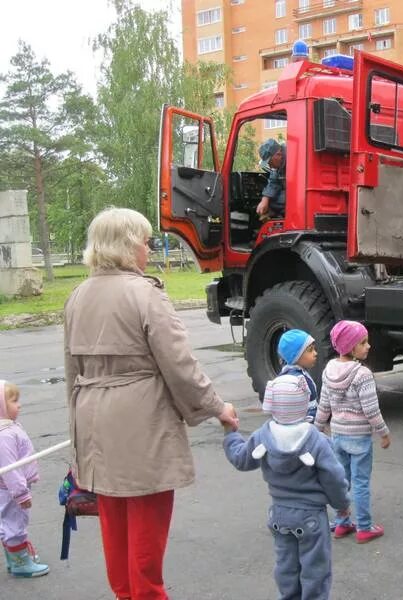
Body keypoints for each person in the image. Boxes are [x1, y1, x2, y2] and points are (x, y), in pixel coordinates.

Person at [64, 207, 238, 600]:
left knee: (115, 527)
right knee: (146, 537)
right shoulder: (145, 294)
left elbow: (71, 373)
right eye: (145, 241)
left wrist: (77, 441)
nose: (148, 249)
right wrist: (218, 408)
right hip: (141, 424)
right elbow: (180, 366)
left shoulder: (77, 296)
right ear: (128, 246)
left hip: (92, 421)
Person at [223, 374, 349, 600]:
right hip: (311, 516)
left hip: (279, 515)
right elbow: (334, 476)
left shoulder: (263, 435)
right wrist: (342, 505)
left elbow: (241, 459)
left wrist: (231, 434)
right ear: (304, 404)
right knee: (315, 571)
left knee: (286, 568)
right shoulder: (314, 438)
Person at [314, 320, 390, 544]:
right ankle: (364, 527)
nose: (368, 346)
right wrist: (383, 432)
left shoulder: (329, 370)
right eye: (363, 343)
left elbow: (323, 405)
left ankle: (342, 522)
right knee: (361, 482)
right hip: (359, 438)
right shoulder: (362, 374)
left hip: (338, 436)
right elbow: (371, 410)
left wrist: (317, 430)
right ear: (350, 347)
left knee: (342, 481)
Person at [0, 380, 49, 578]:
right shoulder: (4, 436)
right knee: (15, 523)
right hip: (11, 490)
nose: (19, 405)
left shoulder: (8, 428)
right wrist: (21, 494)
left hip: (9, 489)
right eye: (13, 401)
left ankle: (14, 559)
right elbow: (11, 469)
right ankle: (20, 563)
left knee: (11, 522)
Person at [277, 329, 319, 422]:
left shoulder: (282, 376)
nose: (315, 353)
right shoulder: (301, 380)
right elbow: (310, 411)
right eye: (310, 350)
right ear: (296, 355)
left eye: (314, 349)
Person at [256, 139, 287, 220]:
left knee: (275, 200)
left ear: (278, 154)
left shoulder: (292, 158)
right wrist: (265, 199)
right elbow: (273, 181)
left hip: (300, 196)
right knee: (270, 199)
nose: (269, 166)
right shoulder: (279, 164)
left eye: (269, 162)